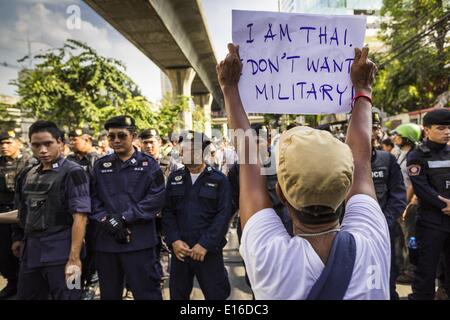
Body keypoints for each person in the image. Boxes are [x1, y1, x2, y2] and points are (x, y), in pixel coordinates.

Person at [217, 44, 389, 299]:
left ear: (281, 193)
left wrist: (229, 88)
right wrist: (363, 88)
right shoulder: (372, 240)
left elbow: (249, 162)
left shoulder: (268, 256)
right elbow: (362, 161)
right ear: (345, 190)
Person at [90, 115, 166, 300]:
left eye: (121, 136)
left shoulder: (149, 165)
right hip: (107, 242)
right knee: (109, 294)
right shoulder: (100, 166)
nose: (116, 141)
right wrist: (107, 220)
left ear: (133, 136)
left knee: (147, 293)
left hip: (139, 243)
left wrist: (123, 218)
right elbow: (91, 199)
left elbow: (155, 199)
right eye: (111, 136)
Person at [14, 120, 89, 300]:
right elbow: (23, 212)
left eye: (48, 144)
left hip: (64, 254)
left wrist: (74, 258)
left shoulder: (74, 172)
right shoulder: (27, 173)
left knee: (71, 297)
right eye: (36, 145)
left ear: (60, 144)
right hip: (31, 253)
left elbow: (80, 217)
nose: (42, 150)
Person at [162, 131, 233, 300]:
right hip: (181, 252)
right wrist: (174, 240)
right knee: (178, 295)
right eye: (182, 149)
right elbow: (168, 212)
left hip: (208, 253)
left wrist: (205, 244)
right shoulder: (174, 178)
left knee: (216, 295)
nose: (183, 153)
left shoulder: (219, 180)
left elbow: (223, 215)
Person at [407, 108, 450, 300]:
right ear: (426, 130)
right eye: (441, 128)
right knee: (426, 270)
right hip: (431, 222)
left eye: (449, 128)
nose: (447, 132)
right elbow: (421, 187)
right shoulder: (417, 156)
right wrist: (445, 205)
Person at [370, 114, 407, 299]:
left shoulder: (387, 160)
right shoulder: (341, 160)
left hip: (384, 233)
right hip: (351, 236)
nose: (373, 132)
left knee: (387, 278)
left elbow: (399, 196)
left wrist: (384, 222)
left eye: (375, 127)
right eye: (367, 126)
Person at [0, 131, 32, 299]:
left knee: (23, 250)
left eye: (8, 142)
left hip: (25, 211)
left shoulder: (30, 162)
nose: (4, 146)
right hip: (3, 212)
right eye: (1, 144)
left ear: (19, 143)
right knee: (4, 253)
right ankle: (12, 281)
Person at [391, 123, 422, 284]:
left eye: (399, 136)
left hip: (408, 206)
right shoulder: (401, 154)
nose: (395, 138)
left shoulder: (413, 156)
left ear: (407, 138)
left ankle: (411, 271)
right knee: (400, 239)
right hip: (400, 204)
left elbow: (412, 184)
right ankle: (402, 267)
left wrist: (406, 205)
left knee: (410, 239)